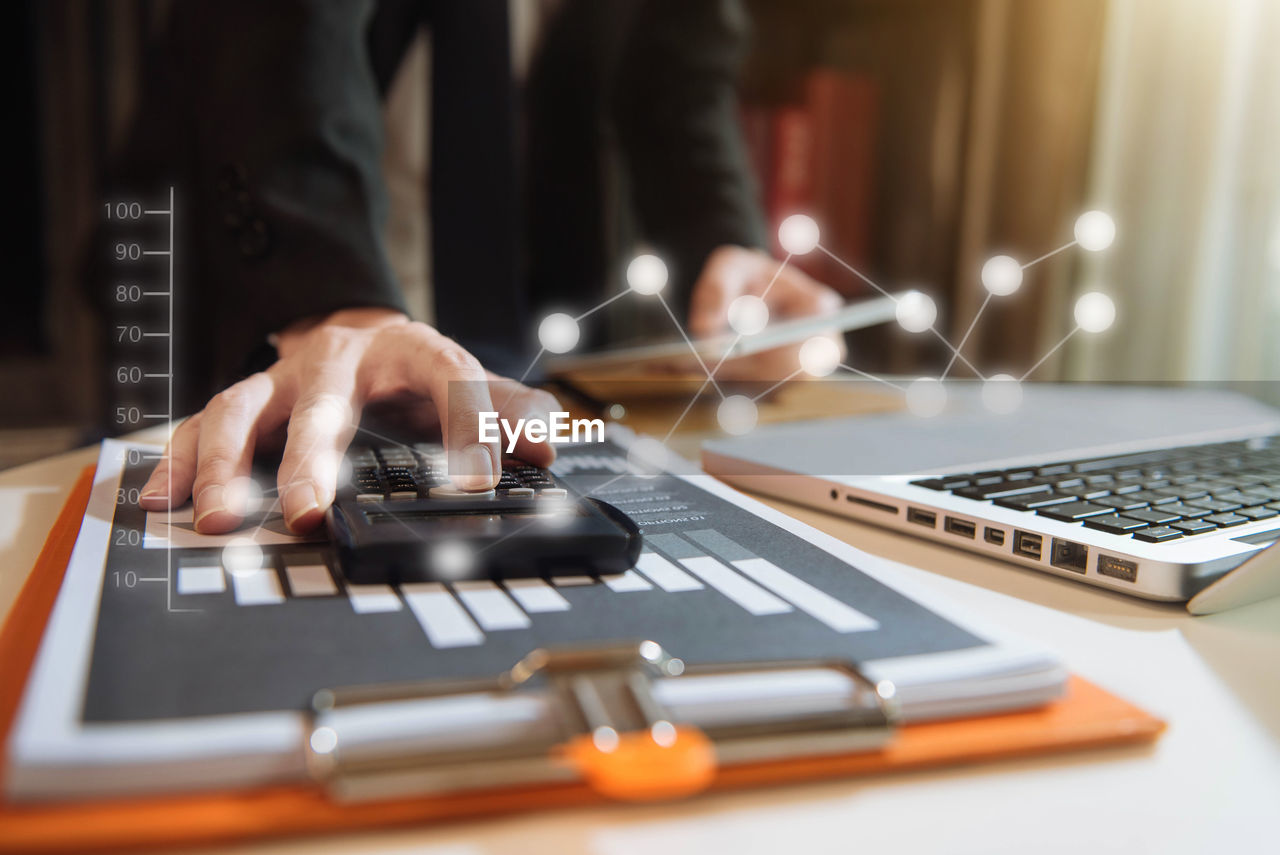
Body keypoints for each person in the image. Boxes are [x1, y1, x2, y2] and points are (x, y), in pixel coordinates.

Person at [129, 0, 843, 535]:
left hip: (529, 378)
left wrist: (726, 243)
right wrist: (332, 302)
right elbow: (280, 39)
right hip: (257, 306)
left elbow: (680, 63)